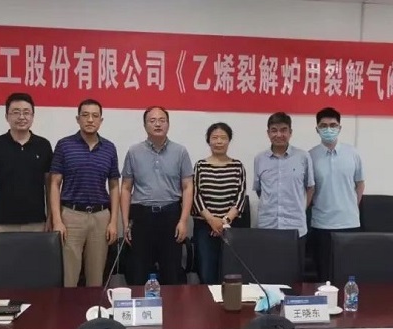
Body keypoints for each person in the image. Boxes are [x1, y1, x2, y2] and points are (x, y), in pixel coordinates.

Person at [49, 99, 120, 288]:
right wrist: (57, 220)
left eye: (95, 116)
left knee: (96, 277)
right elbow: (55, 183)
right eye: (85, 115)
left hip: (100, 216)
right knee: (69, 276)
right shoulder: (64, 145)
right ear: (77, 119)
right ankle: (67, 308)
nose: (90, 120)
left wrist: (113, 221)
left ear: (101, 120)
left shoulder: (109, 148)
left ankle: (93, 308)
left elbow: (114, 185)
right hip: (71, 216)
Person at [120, 106, 194, 286]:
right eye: (152, 121)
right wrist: (125, 223)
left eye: (162, 120)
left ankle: (173, 305)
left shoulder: (180, 151)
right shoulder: (134, 152)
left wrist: (183, 221)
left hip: (170, 215)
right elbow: (126, 188)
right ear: (145, 125)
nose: (158, 124)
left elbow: (187, 187)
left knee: (172, 272)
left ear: (168, 124)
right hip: (141, 216)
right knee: (139, 272)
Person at [0, 93, 53, 233]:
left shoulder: (43, 145)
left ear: (32, 116)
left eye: (26, 112)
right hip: (1, 222)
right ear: (7, 116)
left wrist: (50, 217)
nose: (21, 117)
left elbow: (50, 186)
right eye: (16, 112)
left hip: (36, 222)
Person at [309, 107, 365, 282]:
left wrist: (351, 206)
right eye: (323, 125)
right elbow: (308, 189)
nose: (328, 129)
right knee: (323, 276)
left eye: (333, 125)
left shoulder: (353, 153)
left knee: (348, 276)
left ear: (339, 128)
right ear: (317, 129)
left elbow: (360, 184)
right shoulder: (310, 156)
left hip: (349, 223)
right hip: (321, 224)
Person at [254, 112, 314, 272]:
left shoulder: (303, 157)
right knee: (268, 273)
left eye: (283, 130)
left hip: (295, 227)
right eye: (274, 130)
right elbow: (259, 190)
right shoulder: (260, 159)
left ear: (290, 132)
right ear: (268, 133)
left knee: (294, 274)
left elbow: (310, 187)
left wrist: (300, 208)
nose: (279, 134)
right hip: (268, 226)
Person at [192, 123, 247, 285]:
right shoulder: (200, 166)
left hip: (230, 227)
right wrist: (211, 220)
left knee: (230, 274)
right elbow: (195, 195)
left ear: (229, 140)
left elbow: (240, 197)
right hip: (204, 227)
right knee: (206, 273)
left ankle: (229, 300)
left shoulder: (238, 166)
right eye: (214, 138)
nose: (219, 141)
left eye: (223, 138)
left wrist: (224, 221)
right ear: (208, 141)